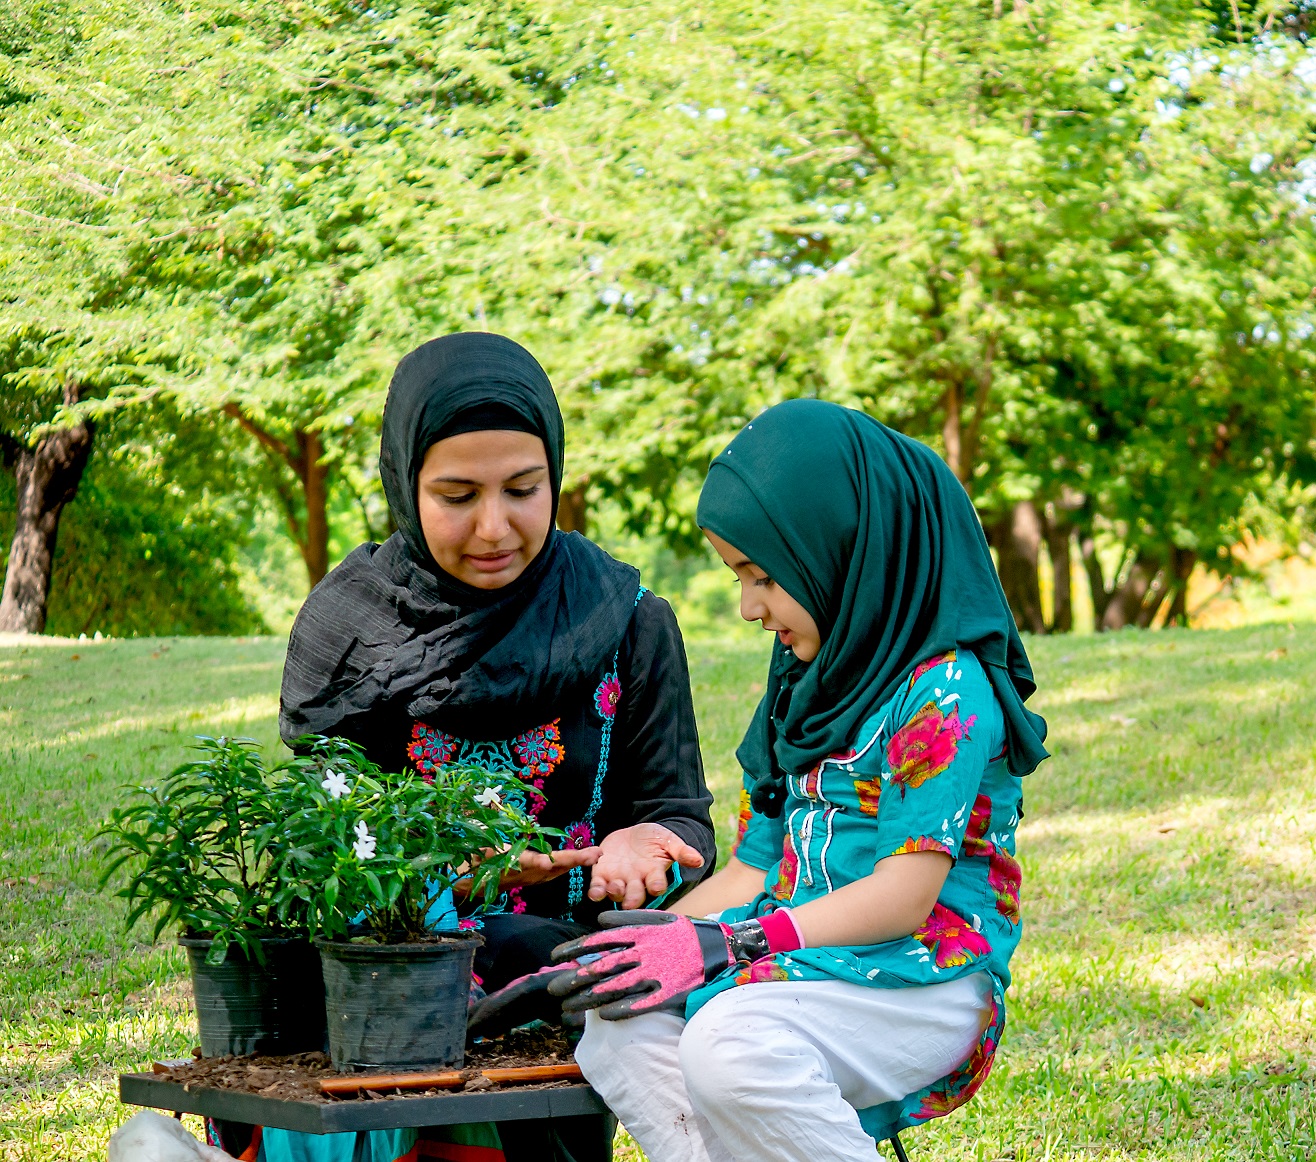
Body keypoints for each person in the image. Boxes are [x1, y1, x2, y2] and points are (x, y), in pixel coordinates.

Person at [210, 332, 715, 1162]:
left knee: (539, 958)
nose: (493, 526)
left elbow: (683, 819)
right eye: (456, 495)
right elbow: (323, 842)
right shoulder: (349, 631)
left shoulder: (627, 621)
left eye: (523, 489)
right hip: (386, 962)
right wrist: (441, 874)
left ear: (555, 475)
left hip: (568, 970)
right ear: (405, 485)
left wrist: (642, 841)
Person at [548, 399, 1050, 1161]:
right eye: (738, 578)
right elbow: (754, 870)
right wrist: (639, 947)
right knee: (620, 1020)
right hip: (798, 959)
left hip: (924, 973)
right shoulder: (803, 682)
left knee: (732, 1046)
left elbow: (905, 897)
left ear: (840, 550)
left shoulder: (944, 690)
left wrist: (733, 941)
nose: (749, 607)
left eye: (762, 577)